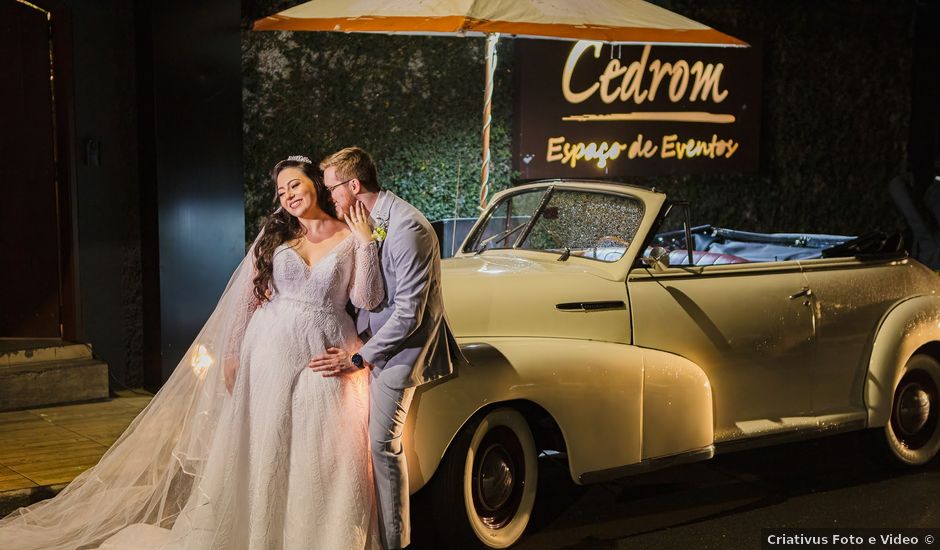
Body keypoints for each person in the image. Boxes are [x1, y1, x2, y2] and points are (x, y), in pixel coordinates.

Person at [0, 156, 385, 550]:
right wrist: (233, 353)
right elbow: (245, 302)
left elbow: (367, 298)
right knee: (266, 443)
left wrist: (368, 244)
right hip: (268, 352)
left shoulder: (349, 234)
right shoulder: (276, 233)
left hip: (326, 350)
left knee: (321, 449)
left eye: (295, 185)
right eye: (281, 190)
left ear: (315, 185)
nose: (288, 195)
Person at [308, 147, 456, 550]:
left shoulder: (408, 227)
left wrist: (358, 357)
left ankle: (397, 543)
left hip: (399, 353)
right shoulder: (367, 221)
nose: (330, 198)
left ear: (353, 186)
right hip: (370, 344)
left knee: (381, 446)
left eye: (333, 189)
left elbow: (409, 314)